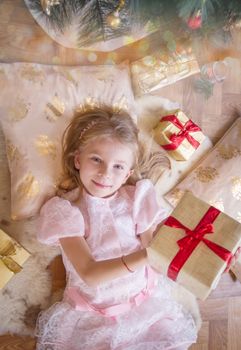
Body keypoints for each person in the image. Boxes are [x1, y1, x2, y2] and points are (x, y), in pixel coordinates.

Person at [35, 106, 198, 350]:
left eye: (118, 167)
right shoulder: (66, 211)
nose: (105, 173)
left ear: (127, 174)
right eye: (96, 159)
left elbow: (155, 250)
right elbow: (90, 274)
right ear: (78, 159)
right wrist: (147, 254)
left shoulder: (137, 198)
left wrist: (205, 254)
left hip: (146, 306)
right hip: (94, 317)